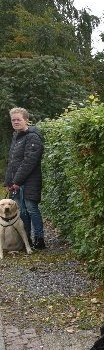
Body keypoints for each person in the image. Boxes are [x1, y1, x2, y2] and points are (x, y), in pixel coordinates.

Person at [4, 107, 45, 250]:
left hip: (30, 181)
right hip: (17, 182)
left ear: (26, 120)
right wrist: (9, 182)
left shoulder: (33, 136)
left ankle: (39, 240)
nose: (15, 122)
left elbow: (29, 161)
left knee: (31, 209)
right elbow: (12, 162)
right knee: (21, 211)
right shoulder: (17, 136)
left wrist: (17, 181)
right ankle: (26, 239)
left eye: (18, 119)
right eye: (13, 120)